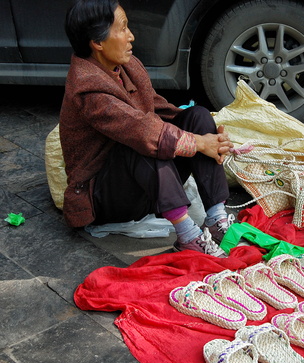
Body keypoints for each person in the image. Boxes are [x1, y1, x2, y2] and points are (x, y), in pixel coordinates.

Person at [60, 0, 234, 257]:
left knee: (197, 116)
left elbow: (160, 111)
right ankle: (187, 235)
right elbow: (141, 130)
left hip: (142, 185)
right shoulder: (87, 87)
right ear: (97, 43)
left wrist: (208, 138)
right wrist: (198, 143)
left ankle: (216, 219)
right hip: (104, 199)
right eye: (122, 29)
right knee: (143, 142)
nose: (131, 36)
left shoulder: (126, 66)